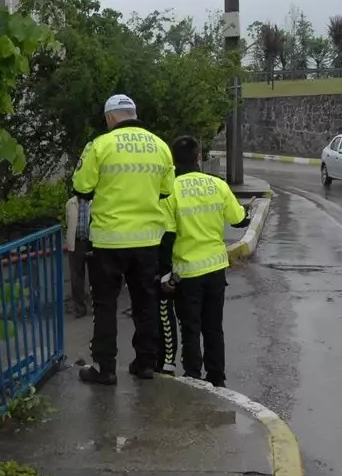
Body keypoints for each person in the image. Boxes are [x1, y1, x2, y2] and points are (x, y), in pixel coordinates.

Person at [72, 94, 176, 384]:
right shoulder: (160, 146)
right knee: (145, 303)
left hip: (108, 241)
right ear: (133, 113)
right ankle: (145, 364)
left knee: (105, 306)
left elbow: (81, 186)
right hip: (147, 241)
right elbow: (166, 192)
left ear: (109, 118)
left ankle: (104, 368)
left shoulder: (100, 145)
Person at [160, 136, 251, 388]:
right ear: (199, 156)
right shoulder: (217, 185)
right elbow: (238, 219)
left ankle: (193, 377)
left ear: (174, 160)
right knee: (213, 327)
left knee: (190, 327)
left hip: (186, 272)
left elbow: (167, 237)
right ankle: (217, 378)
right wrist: (248, 211)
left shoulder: (170, 192)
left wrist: (165, 272)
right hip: (215, 270)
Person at [64, 194, 92, 317]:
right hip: (76, 243)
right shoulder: (70, 203)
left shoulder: (95, 201)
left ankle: (97, 307)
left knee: (96, 276)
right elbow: (67, 222)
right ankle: (80, 308)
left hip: (92, 242)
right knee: (76, 278)